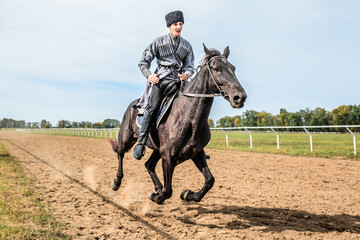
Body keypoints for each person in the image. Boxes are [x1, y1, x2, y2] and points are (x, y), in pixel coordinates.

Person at [133, 10, 195, 160]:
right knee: (153, 107)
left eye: (180, 24)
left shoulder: (187, 46)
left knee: (194, 103)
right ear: (169, 26)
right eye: (175, 24)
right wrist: (149, 75)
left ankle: (196, 145)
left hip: (179, 80)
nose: (178, 27)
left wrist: (187, 74)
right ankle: (141, 142)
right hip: (161, 80)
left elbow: (190, 66)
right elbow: (143, 62)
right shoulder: (158, 41)